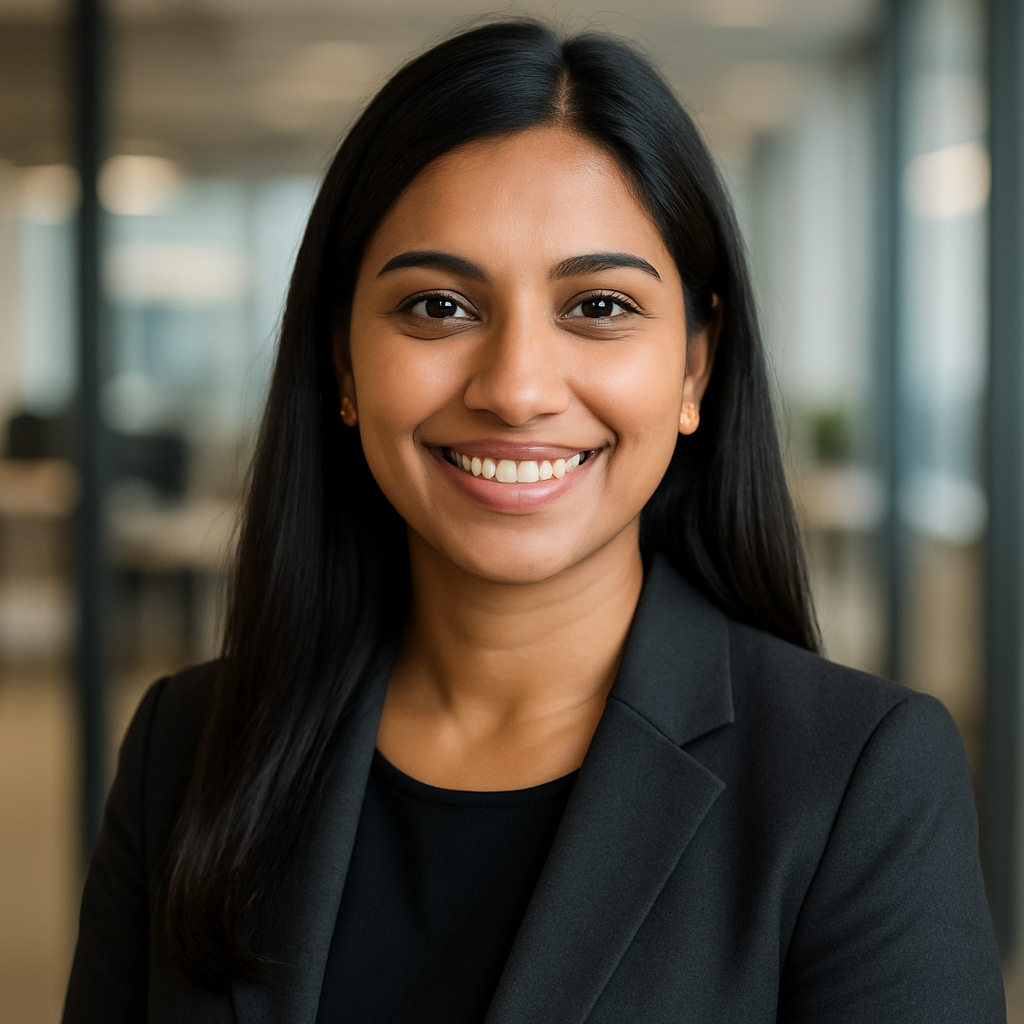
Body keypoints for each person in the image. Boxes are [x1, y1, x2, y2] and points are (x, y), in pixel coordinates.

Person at [63, 19, 1004, 1024]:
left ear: (695, 363)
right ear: (341, 360)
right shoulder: (190, 746)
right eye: (436, 306)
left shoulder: (854, 780)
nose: (515, 390)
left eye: (598, 306)